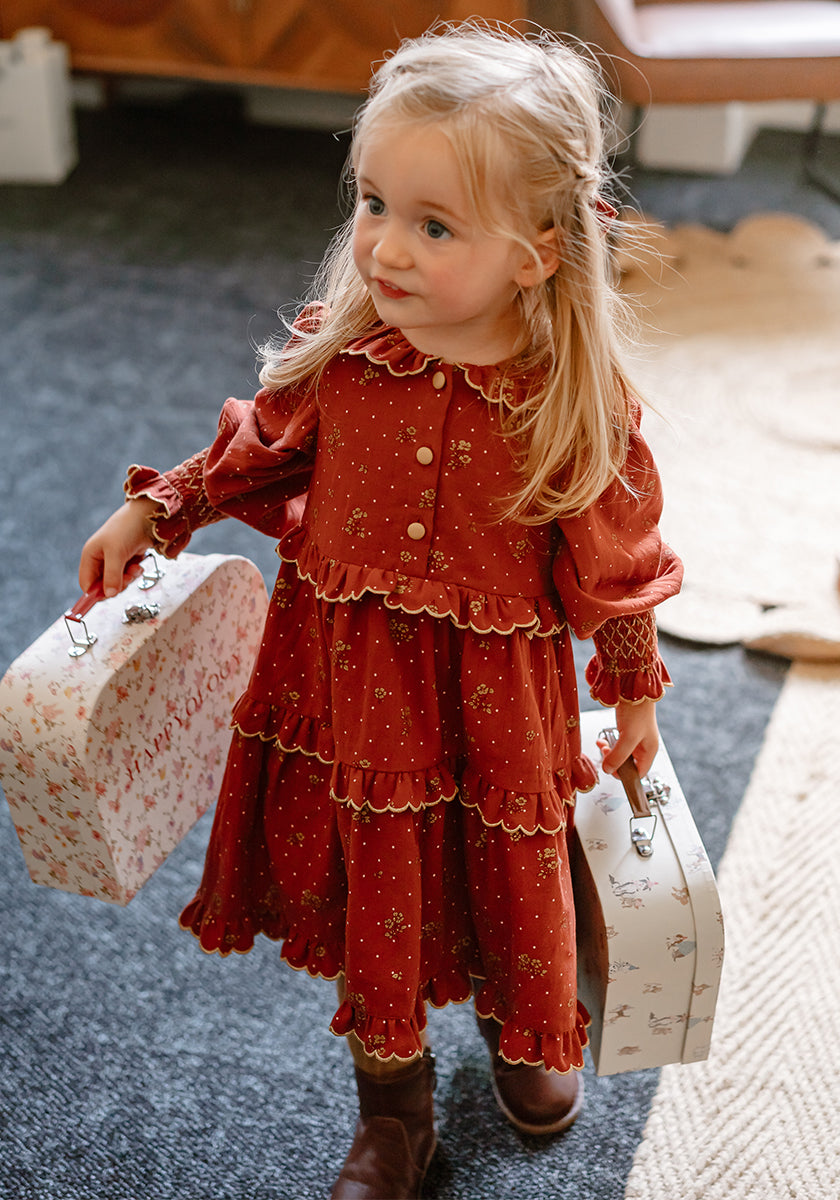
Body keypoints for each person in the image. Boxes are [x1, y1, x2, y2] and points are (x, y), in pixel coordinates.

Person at [79, 22, 683, 1200]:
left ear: (537, 254)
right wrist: (160, 508)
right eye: (372, 203)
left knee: (509, 871)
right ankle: (394, 1109)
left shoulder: (566, 403)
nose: (385, 247)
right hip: (356, 696)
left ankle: (524, 1023)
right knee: (382, 889)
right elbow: (258, 454)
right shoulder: (345, 358)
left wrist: (634, 691)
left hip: (501, 711)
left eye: (434, 226)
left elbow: (619, 562)